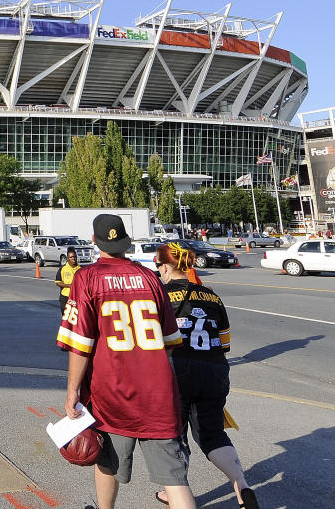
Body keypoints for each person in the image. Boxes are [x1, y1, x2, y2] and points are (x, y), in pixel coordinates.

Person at [57, 214, 195, 509]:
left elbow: (80, 344)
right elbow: (171, 341)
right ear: (125, 242)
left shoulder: (86, 277)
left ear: (95, 242)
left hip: (112, 392)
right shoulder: (150, 277)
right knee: (175, 479)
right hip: (157, 393)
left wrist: (72, 391)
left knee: (108, 463)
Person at [153, 242, 260, 509]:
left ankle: (177, 494)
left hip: (178, 369)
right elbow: (224, 342)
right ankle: (241, 485)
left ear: (165, 267)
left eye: (158, 266)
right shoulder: (212, 295)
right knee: (212, 434)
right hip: (215, 369)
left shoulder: (160, 295)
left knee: (174, 435)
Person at [55, 247, 79, 326]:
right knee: (66, 319)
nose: (73, 259)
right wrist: (69, 286)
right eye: (71, 257)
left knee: (76, 319)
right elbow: (58, 282)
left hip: (77, 298)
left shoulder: (81, 269)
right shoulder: (63, 269)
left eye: (75, 256)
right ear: (67, 258)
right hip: (65, 297)